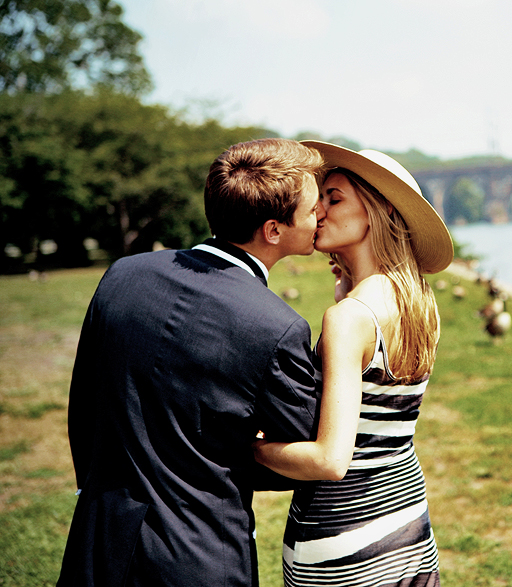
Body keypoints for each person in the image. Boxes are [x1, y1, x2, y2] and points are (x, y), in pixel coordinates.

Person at [58, 138, 326, 587]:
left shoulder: (123, 274)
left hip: (99, 540)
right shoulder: (277, 327)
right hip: (202, 556)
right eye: (314, 208)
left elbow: (84, 401)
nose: (321, 216)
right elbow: (298, 452)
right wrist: (237, 447)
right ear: (274, 230)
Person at [252, 141, 453, 587]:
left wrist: (248, 445)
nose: (318, 211)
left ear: (375, 211)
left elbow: (329, 460)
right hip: (410, 530)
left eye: (334, 198)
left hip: (341, 539)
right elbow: (384, 420)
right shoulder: (418, 305)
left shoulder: (349, 320)